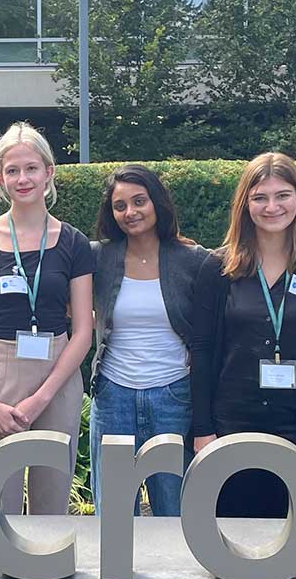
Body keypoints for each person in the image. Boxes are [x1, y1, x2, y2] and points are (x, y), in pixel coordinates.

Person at [190, 153, 296, 517]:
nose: (271, 206)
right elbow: (202, 351)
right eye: (260, 197)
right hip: (230, 425)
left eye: (283, 195)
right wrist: (202, 429)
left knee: (289, 545)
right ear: (245, 204)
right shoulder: (218, 268)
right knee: (229, 540)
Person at [0, 123, 95, 517]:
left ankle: (47, 573)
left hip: (57, 369)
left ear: (49, 172)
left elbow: (84, 330)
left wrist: (43, 397)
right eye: (13, 170)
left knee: (52, 497)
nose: (23, 179)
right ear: (0, 177)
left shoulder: (73, 242)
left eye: (31, 168)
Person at [88, 165, 210, 518]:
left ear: (157, 202)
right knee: (111, 519)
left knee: (175, 514)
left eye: (139, 201)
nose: (131, 212)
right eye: (120, 205)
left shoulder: (193, 260)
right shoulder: (99, 257)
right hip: (113, 398)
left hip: (173, 397)